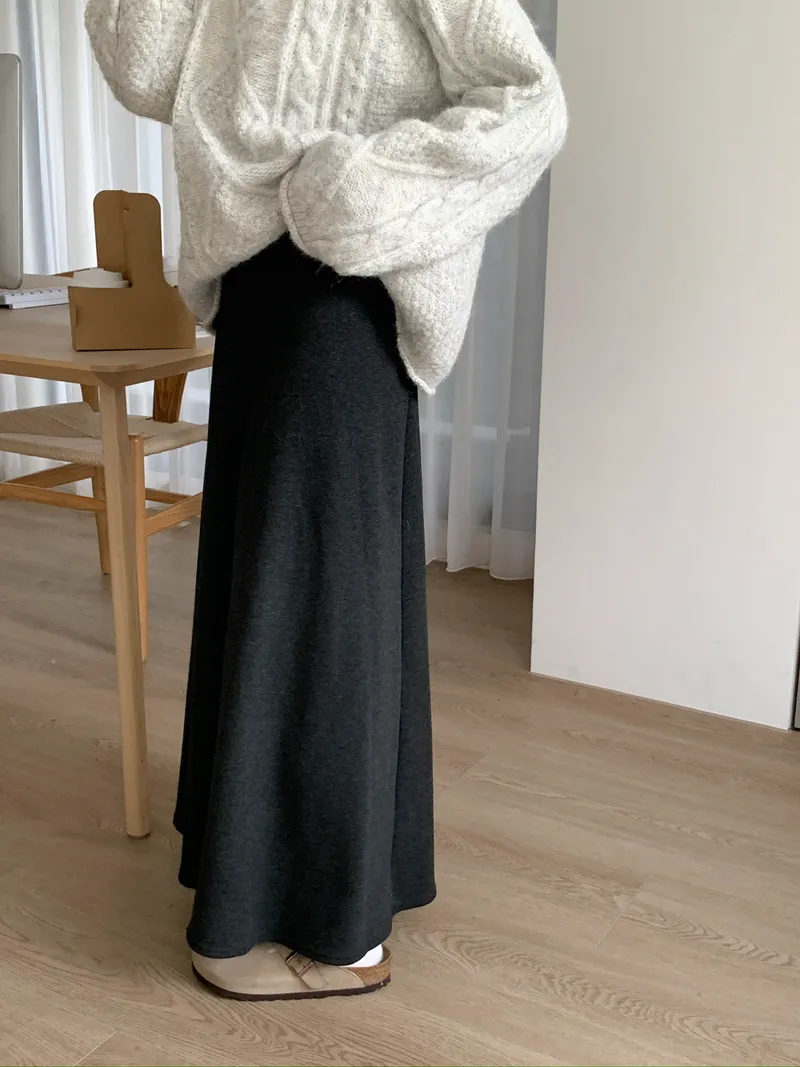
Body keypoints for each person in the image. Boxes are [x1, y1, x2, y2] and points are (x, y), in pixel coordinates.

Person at [85, 0, 566, 1002]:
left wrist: (362, 187)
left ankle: (305, 911)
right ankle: (255, 902)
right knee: (284, 589)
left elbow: (530, 103)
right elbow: (148, 70)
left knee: (323, 602)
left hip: (347, 283)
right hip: (252, 285)